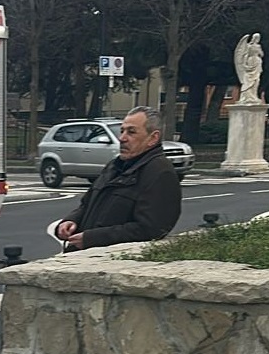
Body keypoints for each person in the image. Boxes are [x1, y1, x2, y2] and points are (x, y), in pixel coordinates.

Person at [54, 106, 181, 252]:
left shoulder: (160, 172)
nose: (122, 138)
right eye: (122, 131)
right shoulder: (115, 166)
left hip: (107, 259)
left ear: (153, 138)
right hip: (82, 254)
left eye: (131, 132)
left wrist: (93, 238)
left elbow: (151, 229)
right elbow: (87, 204)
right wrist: (72, 220)